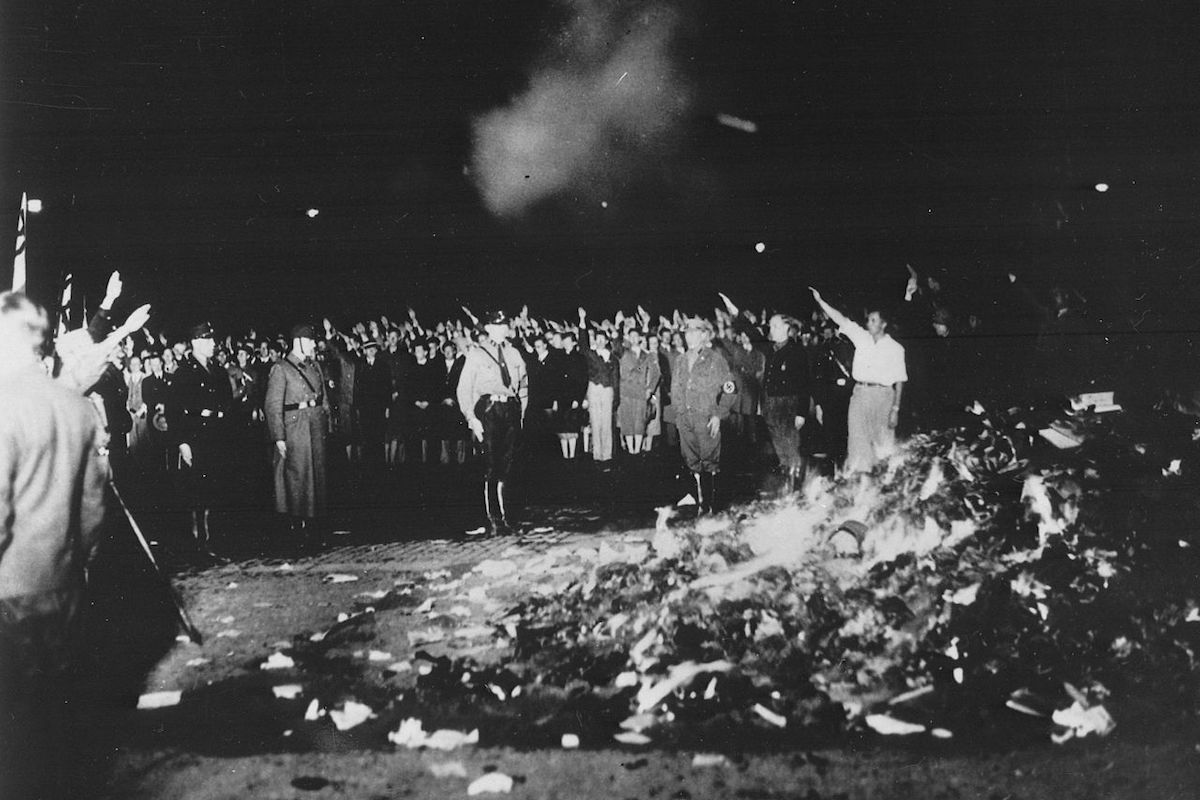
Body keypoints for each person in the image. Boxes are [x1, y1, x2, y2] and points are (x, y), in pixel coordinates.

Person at [0, 292, 109, 800]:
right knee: (55, 718)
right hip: (64, 584)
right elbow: (92, 511)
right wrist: (79, 565)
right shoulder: (76, 407)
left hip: (10, 591)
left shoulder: (4, 407)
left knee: (13, 728)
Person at [809, 287, 908, 473]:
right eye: (868, 320)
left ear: (883, 324)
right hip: (860, 395)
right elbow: (841, 319)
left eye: (873, 320)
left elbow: (900, 381)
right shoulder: (861, 337)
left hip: (883, 396)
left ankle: (883, 484)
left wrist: (895, 409)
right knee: (857, 439)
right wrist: (821, 302)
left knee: (883, 444)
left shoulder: (895, 348)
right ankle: (859, 480)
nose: (869, 323)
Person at [456, 310, 528, 535]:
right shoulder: (476, 355)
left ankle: (508, 517)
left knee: (508, 465)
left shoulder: (515, 353)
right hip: (488, 411)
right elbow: (464, 388)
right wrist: (471, 418)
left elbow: (524, 386)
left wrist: (521, 414)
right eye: (497, 326)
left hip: (510, 410)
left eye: (505, 326)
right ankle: (492, 519)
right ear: (488, 329)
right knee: (490, 465)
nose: (502, 329)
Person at [170, 321, 235, 554]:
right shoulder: (184, 372)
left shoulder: (217, 370)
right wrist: (183, 443)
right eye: (208, 340)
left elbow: (228, 401)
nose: (213, 344)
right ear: (196, 342)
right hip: (196, 433)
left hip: (218, 432)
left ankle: (215, 538)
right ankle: (200, 541)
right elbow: (174, 411)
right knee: (199, 488)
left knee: (217, 485)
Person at [264, 323, 330, 535]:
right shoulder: (281, 368)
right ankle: (299, 523)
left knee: (317, 475)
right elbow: (273, 406)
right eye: (309, 341)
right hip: (296, 428)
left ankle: (315, 522)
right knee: (299, 476)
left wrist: (325, 420)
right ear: (298, 342)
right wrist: (279, 437)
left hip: (315, 425)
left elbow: (323, 398)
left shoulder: (314, 366)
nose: (313, 345)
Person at [670, 316, 738, 513]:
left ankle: (711, 507)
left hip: (706, 419)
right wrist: (679, 415)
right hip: (685, 419)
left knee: (709, 462)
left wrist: (718, 415)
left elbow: (730, 389)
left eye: (694, 332)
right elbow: (675, 389)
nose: (689, 336)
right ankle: (699, 504)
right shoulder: (680, 360)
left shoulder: (715, 360)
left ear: (703, 335)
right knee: (691, 461)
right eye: (687, 332)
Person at [761, 314, 813, 493]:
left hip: (788, 406)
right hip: (771, 405)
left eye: (775, 326)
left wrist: (801, 413)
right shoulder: (771, 349)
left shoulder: (796, 351)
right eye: (770, 326)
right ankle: (787, 485)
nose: (771, 330)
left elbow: (805, 384)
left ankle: (796, 489)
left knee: (791, 448)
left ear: (786, 328)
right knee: (780, 449)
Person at [617, 328, 660, 457]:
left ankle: (637, 451)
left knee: (639, 423)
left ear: (640, 338)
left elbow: (656, 374)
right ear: (628, 339)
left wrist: (650, 389)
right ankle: (631, 452)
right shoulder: (623, 353)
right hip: (626, 393)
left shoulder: (647, 356)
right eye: (632, 337)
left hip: (641, 393)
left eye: (637, 336)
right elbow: (615, 344)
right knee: (628, 423)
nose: (634, 339)